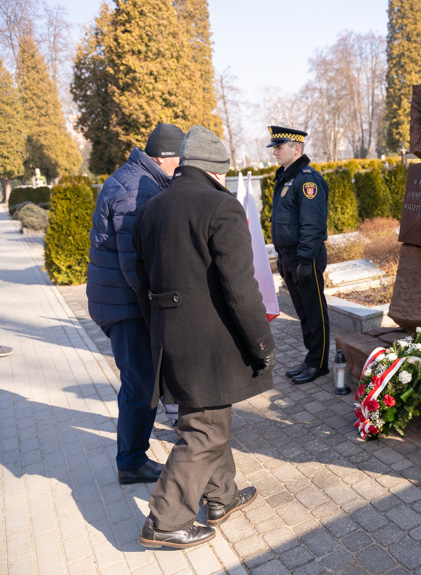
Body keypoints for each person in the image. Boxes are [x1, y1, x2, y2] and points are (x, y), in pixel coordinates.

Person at [133, 126, 276, 549]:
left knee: (209, 419)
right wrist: (262, 345)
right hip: (210, 347)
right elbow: (240, 287)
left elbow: (142, 283)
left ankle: (221, 497)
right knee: (203, 432)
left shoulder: (152, 209)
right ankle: (166, 520)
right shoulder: (222, 207)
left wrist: (160, 331)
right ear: (217, 171)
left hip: (170, 338)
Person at [87, 122, 185, 485]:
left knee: (146, 379)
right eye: (181, 160)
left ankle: (149, 445)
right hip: (124, 307)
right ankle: (130, 462)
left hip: (118, 301)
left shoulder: (140, 179)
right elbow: (135, 265)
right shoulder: (135, 190)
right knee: (140, 384)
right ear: (165, 158)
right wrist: (158, 314)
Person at [268, 126, 330, 384]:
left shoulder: (307, 180)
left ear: (297, 149)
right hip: (289, 257)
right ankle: (311, 357)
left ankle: (320, 363)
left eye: (278, 147)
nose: (275, 153)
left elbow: (312, 225)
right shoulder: (286, 178)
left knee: (314, 312)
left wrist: (305, 260)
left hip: (306, 258)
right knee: (303, 312)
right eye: (274, 148)